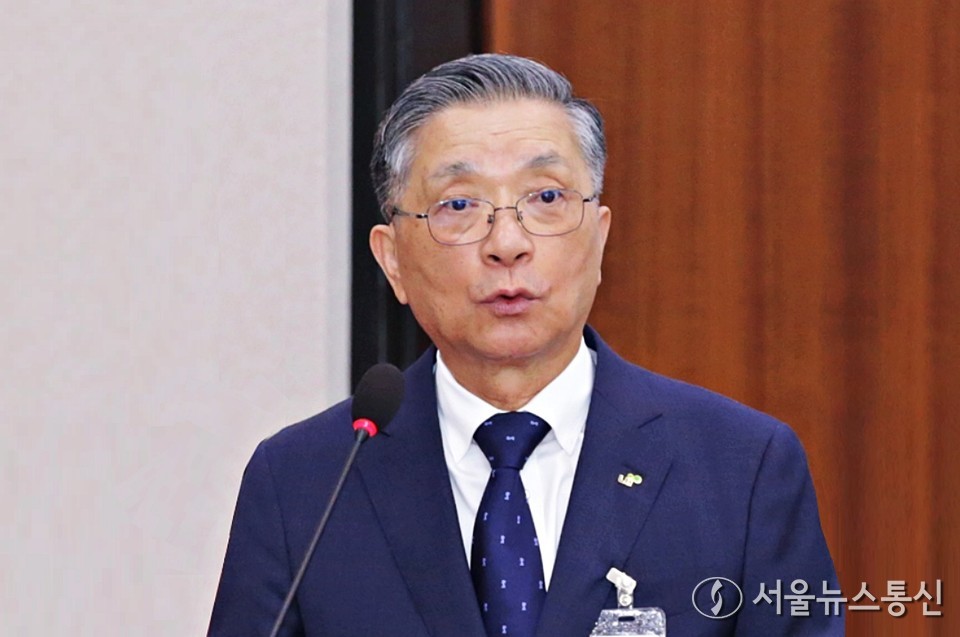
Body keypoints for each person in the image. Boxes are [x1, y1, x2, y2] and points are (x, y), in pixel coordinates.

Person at [209, 54, 842, 636]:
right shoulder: (303, 483)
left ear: (597, 240)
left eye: (545, 198)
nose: (507, 242)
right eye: (459, 204)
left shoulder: (742, 468)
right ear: (393, 260)